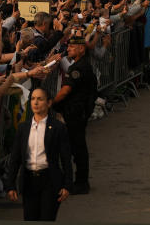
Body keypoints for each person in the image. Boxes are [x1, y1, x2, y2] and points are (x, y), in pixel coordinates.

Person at [4, 87, 72, 221]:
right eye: (33, 99)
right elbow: (15, 158)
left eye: (40, 99)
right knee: (30, 218)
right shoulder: (23, 128)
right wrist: (10, 185)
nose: (35, 103)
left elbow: (65, 157)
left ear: (49, 103)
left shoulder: (58, 128)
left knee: (47, 218)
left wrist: (67, 184)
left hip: (50, 180)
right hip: (29, 181)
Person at [52, 35, 96, 194]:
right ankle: (75, 181)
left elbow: (65, 91)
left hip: (75, 113)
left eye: (72, 46)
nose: (68, 49)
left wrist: (51, 103)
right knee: (75, 147)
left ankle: (80, 182)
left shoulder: (78, 68)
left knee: (76, 148)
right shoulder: (81, 65)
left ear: (81, 49)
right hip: (77, 112)